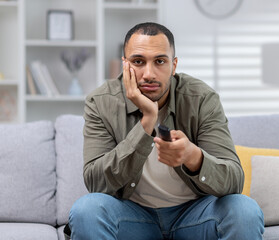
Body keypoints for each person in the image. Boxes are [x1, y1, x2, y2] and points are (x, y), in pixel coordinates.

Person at [68, 22, 264, 240]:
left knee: (244, 210)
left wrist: (194, 158)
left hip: (194, 215)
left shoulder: (202, 99)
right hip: (132, 216)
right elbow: (95, 182)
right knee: (86, 210)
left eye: (160, 61)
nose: (148, 74)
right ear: (125, 65)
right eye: (138, 62)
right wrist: (147, 122)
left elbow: (234, 181)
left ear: (174, 65)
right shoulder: (101, 102)